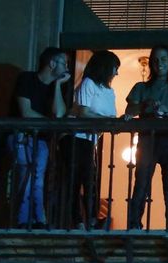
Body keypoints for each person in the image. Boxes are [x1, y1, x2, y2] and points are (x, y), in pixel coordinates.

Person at [126, 46, 168, 229]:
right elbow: (129, 111)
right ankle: (134, 226)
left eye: (163, 59)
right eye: (155, 60)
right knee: (141, 184)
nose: (159, 63)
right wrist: (145, 105)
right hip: (147, 140)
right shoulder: (141, 87)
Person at [8, 48, 71, 226]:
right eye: (64, 63)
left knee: (38, 181)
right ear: (52, 63)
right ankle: (23, 221)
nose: (67, 68)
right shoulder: (27, 79)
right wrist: (50, 124)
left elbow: (59, 114)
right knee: (27, 178)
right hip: (21, 136)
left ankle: (38, 220)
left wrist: (58, 85)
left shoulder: (56, 88)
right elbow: (26, 112)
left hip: (41, 140)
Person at [58, 50, 120, 230]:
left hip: (90, 139)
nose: (116, 73)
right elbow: (83, 112)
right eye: (115, 68)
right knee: (78, 179)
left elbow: (111, 118)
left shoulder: (110, 92)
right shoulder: (88, 83)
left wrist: (113, 122)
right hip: (74, 137)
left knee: (89, 179)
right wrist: (106, 121)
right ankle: (79, 220)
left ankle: (91, 219)